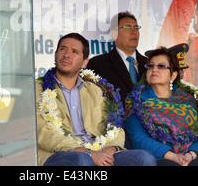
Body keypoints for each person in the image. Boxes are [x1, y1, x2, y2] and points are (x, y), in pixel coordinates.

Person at [36, 33, 156, 166]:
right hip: (60, 153)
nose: (66, 55)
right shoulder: (37, 89)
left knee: (144, 159)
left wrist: (111, 149)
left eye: (74, 51)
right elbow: (42, 132)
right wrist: (87, 153)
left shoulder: (97, 89)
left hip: (100, 151)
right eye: (62, 49)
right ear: (56, 53)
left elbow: (115, 125)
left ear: (85, 62)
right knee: (82, 161)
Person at [125, 46, 198, 166]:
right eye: (150, 66)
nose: (154, 69)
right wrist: (173, 156)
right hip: (160, 158)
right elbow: (139, 139)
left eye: (161, 66)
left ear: (173, 75)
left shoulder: (188, 100)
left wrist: (191, 155)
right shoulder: (136, 100)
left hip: (191, 157)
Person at [86, 12, 147, 102]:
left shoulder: (149, 64)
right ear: (114, 33)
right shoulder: (98, 64)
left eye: (136, 27)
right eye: (128, 27)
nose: (134, 32)